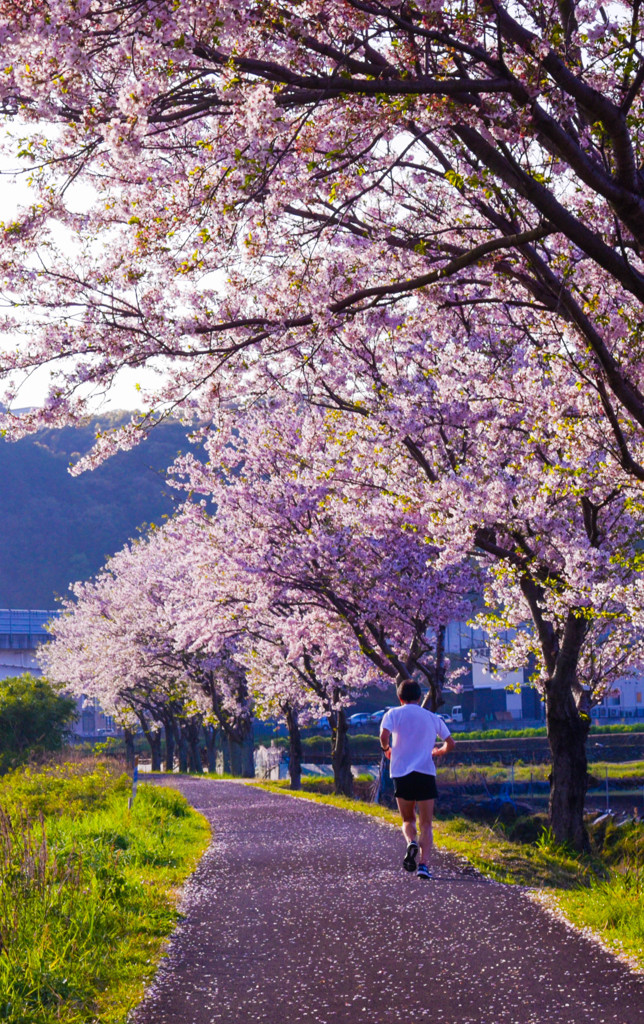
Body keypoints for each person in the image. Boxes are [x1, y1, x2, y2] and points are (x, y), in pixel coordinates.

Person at [380, 679, 455, 880]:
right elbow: (450, 743)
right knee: (427, 823)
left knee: (407, 819)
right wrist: (438, 752)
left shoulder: (392, 714)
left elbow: (383, 735)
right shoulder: (432, 717)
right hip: (425, 773)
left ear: (399, 697)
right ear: (420, 697)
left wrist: (387, 749)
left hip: (401, 773)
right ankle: (423, 865)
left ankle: (411, 842)